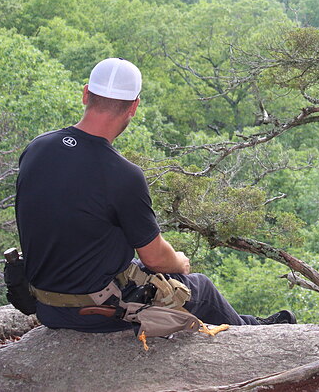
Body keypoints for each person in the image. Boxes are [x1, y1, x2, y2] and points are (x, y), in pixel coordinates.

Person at [15, 57, 295, 332]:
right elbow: (155, 258)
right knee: (201, 289)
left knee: (153, 275)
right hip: (95, 311)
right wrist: (180, 262)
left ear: (86, 94)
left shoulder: (38, 148)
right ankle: (255, 333)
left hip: (48, 305)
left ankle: (251, 323)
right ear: (134, 106)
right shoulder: (122, 174)